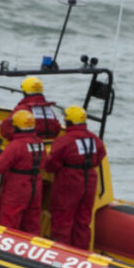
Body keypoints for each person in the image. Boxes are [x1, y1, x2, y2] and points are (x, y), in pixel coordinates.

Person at [44, 106, 106, 249]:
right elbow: (100, 156)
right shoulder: (94, 139)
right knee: (83, 221)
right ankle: (81, 254)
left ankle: (61, 253)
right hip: (89, 180)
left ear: (69, 121)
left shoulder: (64, 140)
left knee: (62, 219)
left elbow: (51, 163)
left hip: (69, 181)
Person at [0, 76, 61, 141]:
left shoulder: (22, 109)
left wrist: (2, 125)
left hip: (27, 146)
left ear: (24, 92)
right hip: (49, 146)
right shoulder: (49, 109)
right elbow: (57, 128)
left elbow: (6, 131)